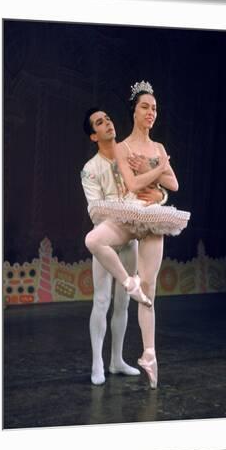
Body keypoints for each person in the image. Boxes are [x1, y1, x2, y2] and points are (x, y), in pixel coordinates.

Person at [85, 81, 190, 389]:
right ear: (133, 111)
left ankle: (149, 354)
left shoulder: (157, 148)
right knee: (97, 254)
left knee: (149, 291)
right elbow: (133, 185)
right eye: (145, 106)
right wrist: (158, 170)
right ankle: (98, 362)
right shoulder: (122, 148)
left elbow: (174, 186)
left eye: (154, 108)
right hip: (123, 217)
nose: (151, 112)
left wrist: (156, 183)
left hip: (152, 220)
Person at [81, 107, 167, 385]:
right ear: (94, 136)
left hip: (130, 239)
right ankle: (97, 362)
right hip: (106, 236)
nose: (107, 123)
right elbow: (94, 211)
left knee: (123, 304)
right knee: (102, 300)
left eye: (108, 118)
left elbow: (150, 187)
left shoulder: (128, 154)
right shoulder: (90, 169)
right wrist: (123, 214)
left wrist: (160, 195)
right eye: (100, 122)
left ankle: (116, 360)